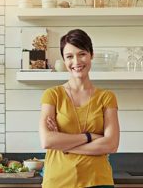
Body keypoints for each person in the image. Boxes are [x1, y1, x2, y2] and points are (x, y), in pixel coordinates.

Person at [39, 29, 120, 188]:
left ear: (91, 54)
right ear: (64, 60)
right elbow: (47, 140)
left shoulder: (107, 97)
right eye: (69, 56)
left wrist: (64, 145)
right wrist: (91, 136)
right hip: (58, 181)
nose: (76, 61)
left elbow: (111, 145)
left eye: (82, 54)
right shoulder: (52, 95)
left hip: (98, 181)